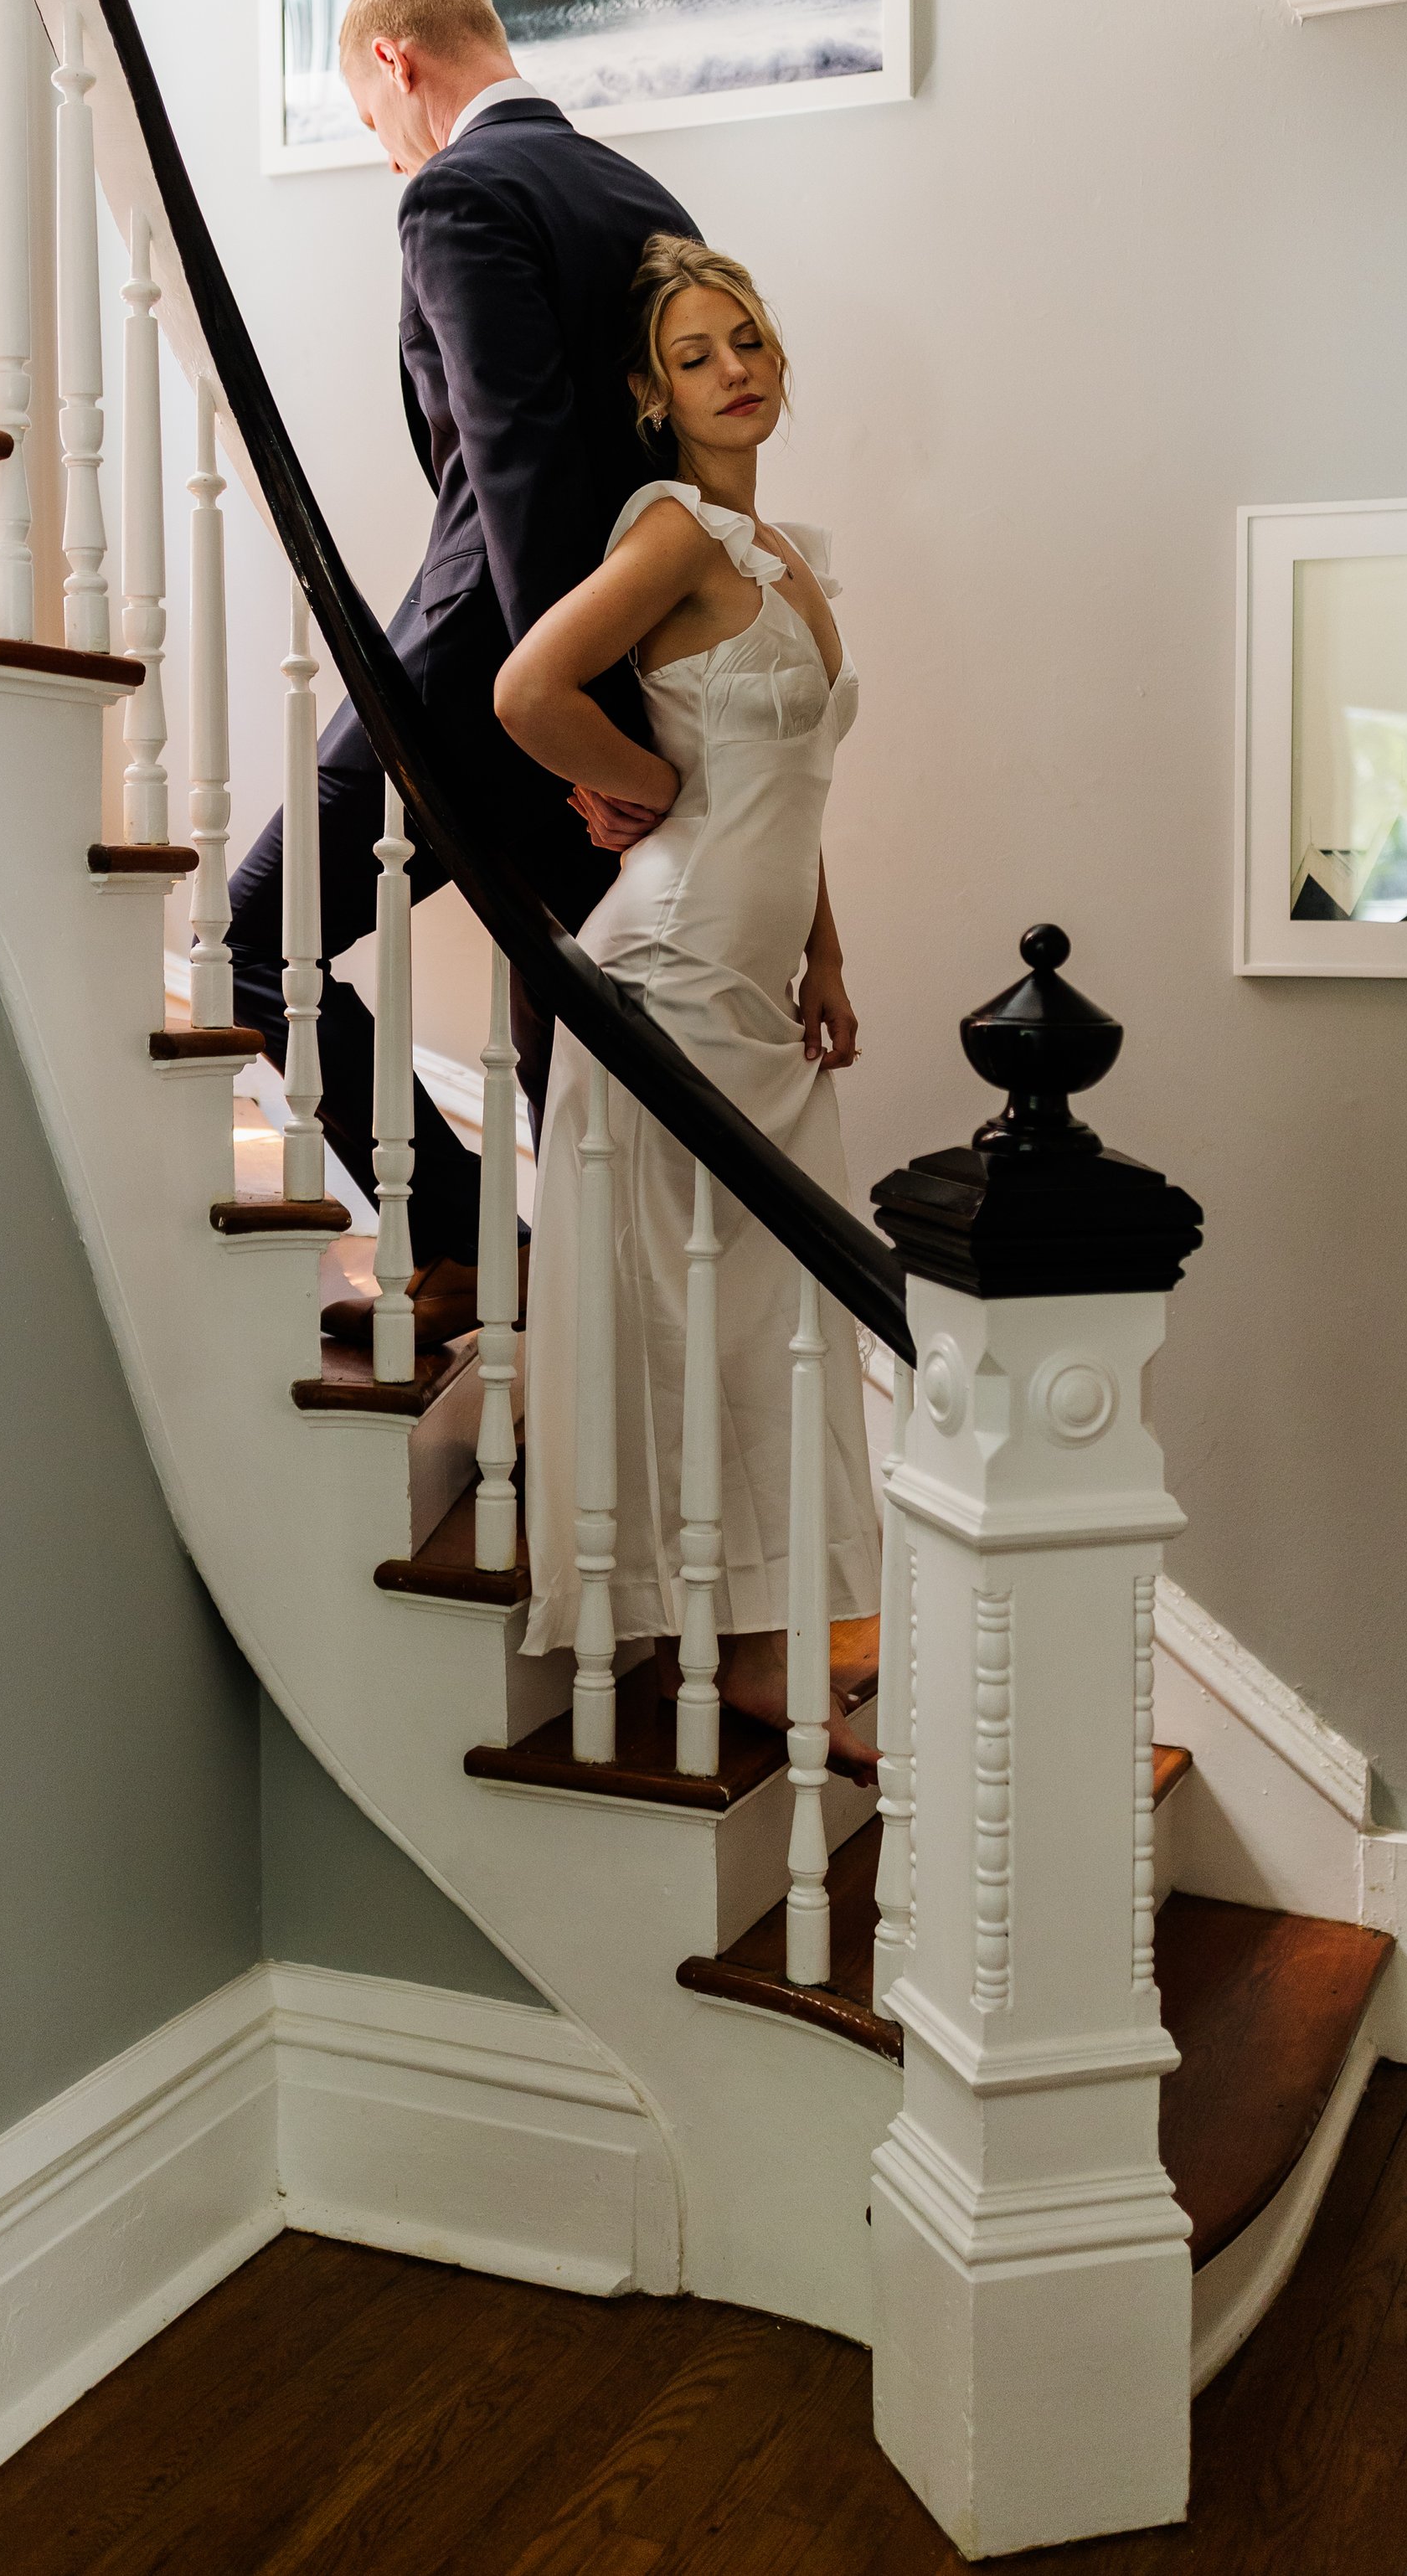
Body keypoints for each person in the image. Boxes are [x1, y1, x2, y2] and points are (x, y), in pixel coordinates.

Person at [228, 0, 697, 1350]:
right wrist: (628, 720)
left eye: (372, 133)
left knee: (248, 943)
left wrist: (561, 714)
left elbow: (519, 467)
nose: (387, 165)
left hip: (475, 674)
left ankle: (468, 1233)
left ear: (396, 65)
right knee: (570, 1024)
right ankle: (595, 1343)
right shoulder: (640, 197)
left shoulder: (456, 193)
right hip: (607, 685)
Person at [497, 235, 879, 1755]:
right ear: (656, 398)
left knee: (772, 1313)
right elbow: (529, 692)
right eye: (703, 354)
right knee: (708, 1319)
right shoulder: (673, 534)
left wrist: (830, 953)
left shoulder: (793, 557)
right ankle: (730, 1649)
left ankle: (769, 1645)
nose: (740, 370)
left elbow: (792, 783)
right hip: (668, 973)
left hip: (759, 980)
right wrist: (646, 781)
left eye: (753, 341)